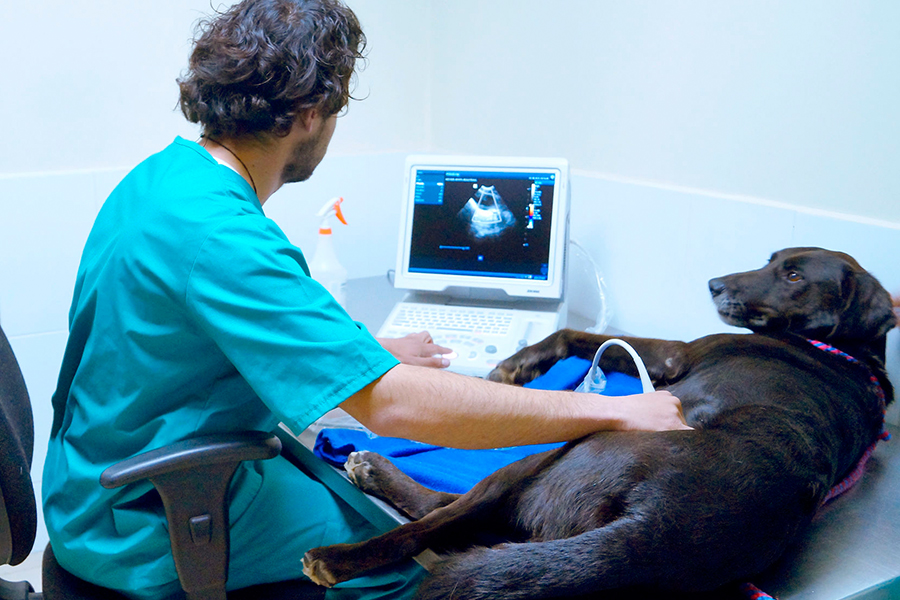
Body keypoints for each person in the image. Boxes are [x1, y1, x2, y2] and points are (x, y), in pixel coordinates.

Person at [41, 1, 689, 599]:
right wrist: (614, 413)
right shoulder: (222, 237)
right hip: (148, 521)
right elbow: (396, 405)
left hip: (93, 484)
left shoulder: (164, 180)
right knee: (422, 557)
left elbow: (190, 332)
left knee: (371, 493)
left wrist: (358, 351)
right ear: (309, 114)